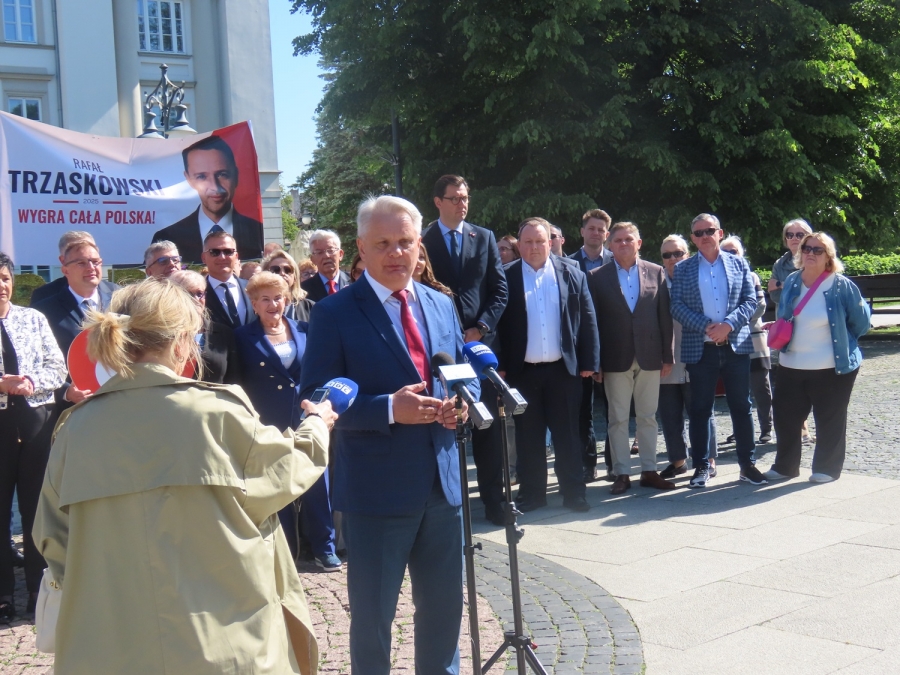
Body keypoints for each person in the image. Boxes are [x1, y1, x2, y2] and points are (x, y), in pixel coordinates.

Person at [33, 278, 334, 674]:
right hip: (225, 644)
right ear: (181, 342)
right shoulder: (217, 412)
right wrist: (318, 424)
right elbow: (286, 470)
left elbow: (52, 540)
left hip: (114, 649)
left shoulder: (76, 429)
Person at [299, 194, 472, 674]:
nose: (396, 253)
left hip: (442, 486)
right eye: (383, 244)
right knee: (374, 618)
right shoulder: (335, 312)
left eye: (405, 242)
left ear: (419, 245)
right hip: (376, 493)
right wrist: (389, 409)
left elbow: (463, 372)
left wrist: (461, 403)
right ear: (360, 247)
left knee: (443, 611)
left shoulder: (441, 303)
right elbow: (315, 396)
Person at [235, 272, 340, 572]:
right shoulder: (242, 337)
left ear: (288, 300)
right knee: (277, 483)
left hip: (306, 416)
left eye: (278, 298)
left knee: (317, 479)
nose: (273, 305)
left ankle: (325, 547)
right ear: (254, 303)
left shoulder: (306, 330)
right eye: (265, 299)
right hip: (268, 420)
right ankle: (285, 551)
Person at [421, 174, 509, 526]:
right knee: (448, 426)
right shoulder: (423, 240)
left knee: (488, 427)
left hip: (478, 347)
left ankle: (494, 501)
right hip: (439, 350)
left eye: (465, 198)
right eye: (455, 198)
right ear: (438, 202)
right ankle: (451, 505)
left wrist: (481, 328)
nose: (462, 204)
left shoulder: (483, 237)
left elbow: (499, 290)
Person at [497, 217, 599, 513]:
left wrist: (590, 361)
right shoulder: (506, 276)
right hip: (522, 372)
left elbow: (588, 318)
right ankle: (532, 494)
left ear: (550, 242)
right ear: (519, 245)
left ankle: (574, 492)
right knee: (528, 437)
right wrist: (500, 366)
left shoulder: (572, 272)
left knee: (568, 435)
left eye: (540, 241)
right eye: (527, 242)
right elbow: (499, 326)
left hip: (563, 371)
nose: (534, 247)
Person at [670, 213, 767, 488]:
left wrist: (728, 325)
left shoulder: (739, 263)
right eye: (698, 233)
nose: (704, 236)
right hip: (701, 348)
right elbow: (676, 306)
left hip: (735, 346)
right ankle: (702, 466)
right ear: (693, 238)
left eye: (709, 231)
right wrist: (707, 326)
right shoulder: (684, 268)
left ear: (720, 233)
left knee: (741, 406)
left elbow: (750, 301)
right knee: (700, 409)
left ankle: (747, 465)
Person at [764, 233, 870, 483]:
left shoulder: (841, 285)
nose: (810, 253)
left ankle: (827, 469)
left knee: (829, 418)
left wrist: (842, 340)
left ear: (828, 256)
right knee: (785, 417)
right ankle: (785, 467)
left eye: (818, 250)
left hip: (831, 366)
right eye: (807, 248)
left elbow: (861, 323)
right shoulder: (792, 280)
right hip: (791, 363)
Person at [0, 253, 66, 622]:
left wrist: (31, 381)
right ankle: (3, 593)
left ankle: (40, 592)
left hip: (36, 424)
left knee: (36, 509)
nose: (2, 285)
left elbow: (58, 366)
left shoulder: (33, 318)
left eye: (5, 278)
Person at [588, 222, 674, 494]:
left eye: (629, 239)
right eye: (618, 240)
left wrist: (668, 356)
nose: (623, 244)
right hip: (615, 358)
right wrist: (596, 362)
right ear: (610, 245)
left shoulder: (656, 272)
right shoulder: (596, 277)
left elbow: (664, 316)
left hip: (650, 355)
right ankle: (621, 473)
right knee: (617, 419)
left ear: (639, 243)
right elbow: (593, 323)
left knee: (648, 417)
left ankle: (649, 470)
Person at [32, 236, 119, 408]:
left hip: (118, 399)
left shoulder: (120, 299)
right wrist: (65, 391)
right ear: (65, 270)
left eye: (95, 262)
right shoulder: (43, 311)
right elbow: (36, 361)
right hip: (72, 407)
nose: (91, 267)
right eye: (81, 263)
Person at [657, 235, 718, 479]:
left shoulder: (699, 277)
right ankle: (678, 460)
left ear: (688, 254)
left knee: (702, 410)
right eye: (667, 255)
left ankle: (709, 460)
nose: (673, 259)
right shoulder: (655, 282)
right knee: (669, 413)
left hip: (697, 354)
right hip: (667, 358)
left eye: (678, 253)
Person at [151, 135, 264, 263]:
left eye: (222, 174)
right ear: (188, 179)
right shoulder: (167, 237)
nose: (214, 187)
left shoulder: (257, 232)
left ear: (236, 175)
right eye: (202, 177)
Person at [570, 209, 615, 483]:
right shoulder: (567, 264)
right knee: (582, 411)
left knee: (614, 410)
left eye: (601, 229)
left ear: (606, 234)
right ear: (582, 231)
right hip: (580, 350)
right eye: (591, 228)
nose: (596, 233)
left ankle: (613, 463)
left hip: (612, 347)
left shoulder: (617, 261)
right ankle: (588, 464)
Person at [721, 235, 773, 444]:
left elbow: (759, 306)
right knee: (736, 390)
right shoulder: (716, 280)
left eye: (734, 251)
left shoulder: (751, 277)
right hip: (729, 343)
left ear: (742, 254)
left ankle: (766, 428)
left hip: (753, 340)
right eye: (725, 252)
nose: (730, 255)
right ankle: (741, 429)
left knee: (761, 387)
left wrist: (731, 322)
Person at [769, 218, 815, 444]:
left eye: (799, 234)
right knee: (792, 381)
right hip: (788, 329)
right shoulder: (781, 263)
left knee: (813, 379)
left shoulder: (816, 257)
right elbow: (776, 295)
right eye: (790, 234)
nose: (794, 238)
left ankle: (806, 422)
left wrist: (782, 284)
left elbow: (813, 291)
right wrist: (786, 286)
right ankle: (801, 425)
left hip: (813, 328)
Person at [170, 270, 240, 385]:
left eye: (199, 294)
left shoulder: (224, 333)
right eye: (188, 294)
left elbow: (234, 377)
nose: (196, 299)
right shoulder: (163, 333)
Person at [29, 231, 98, 307]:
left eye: (90, 247)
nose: (90, 267)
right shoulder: (44, 295)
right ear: (63, 260)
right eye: (81, 262)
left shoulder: (109, 292)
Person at [201, 231, 254, 328]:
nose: (222, 257)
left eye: (228, 251)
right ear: (203, 258)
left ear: (236, 256)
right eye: (214, 252)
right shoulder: (197, 294)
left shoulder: (252, 288)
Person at [262, 250, 315, 322]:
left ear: (295, 277)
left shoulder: (310, 307)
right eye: (275, 270)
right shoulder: (258, 307)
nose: (282, 273)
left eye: (288, 270)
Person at [301, 230, 350, 300]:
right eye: (319, 252)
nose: (326, 256)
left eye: (331, 250)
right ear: (313, 259)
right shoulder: (303, 290)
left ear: (340, 254)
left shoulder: (355, 281)